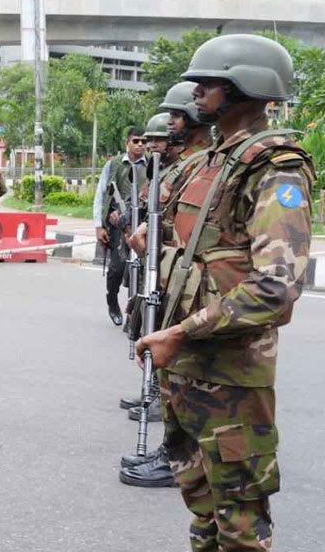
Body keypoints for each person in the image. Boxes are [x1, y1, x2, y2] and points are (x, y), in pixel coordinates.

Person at [134, 34, 311, 550]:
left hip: (229, 375)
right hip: (185, 366)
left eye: (208, 82)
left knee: (239, 523)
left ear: (245, 86)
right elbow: (192, 248)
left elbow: (275, 288)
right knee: (203, 508)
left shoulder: (275, 167)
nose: (195, 92)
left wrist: (182, 332)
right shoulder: (204, 162)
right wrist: (157, 240)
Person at [120, 82, 212, 489]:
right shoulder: (191, 164)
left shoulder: (206, 163)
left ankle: (182, 457)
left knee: (192, 382)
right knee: (175, 374)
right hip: (173, 274)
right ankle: (175, 452)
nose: (159, 139)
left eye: (173, 121)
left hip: (195, 286)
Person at [92, 127, 148, 325]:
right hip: (117, 225)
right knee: (117, 268)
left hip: (142, 224)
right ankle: (112, 301)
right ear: (127, 143)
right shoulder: (114, 164)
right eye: (136, 141)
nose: (140, 144)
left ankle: (136, 311)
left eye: (143, 141)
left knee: (143, 271)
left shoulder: (151, 165)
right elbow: (100, 195)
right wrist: (99, 226)